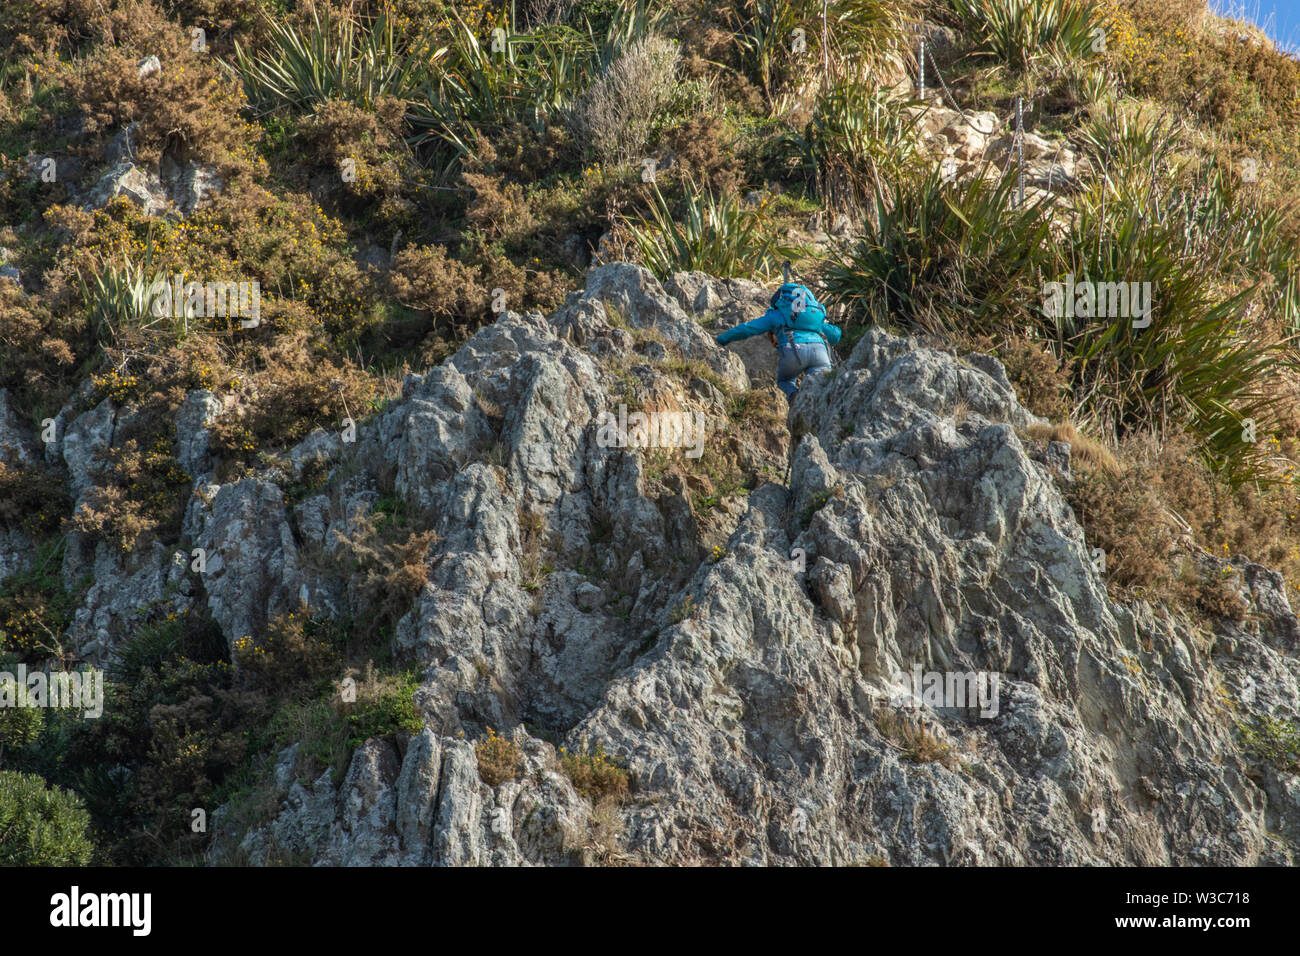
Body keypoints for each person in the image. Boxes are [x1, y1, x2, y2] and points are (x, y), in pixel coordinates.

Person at [714, 282, 842, 401]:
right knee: (823, 385)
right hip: (819, 352)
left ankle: (793, 397)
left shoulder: (777, 314)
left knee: (785, 382)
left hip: (793, 350)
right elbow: (835, 335)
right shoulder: (816, 317)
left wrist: (722, 339)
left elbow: (748, 328)